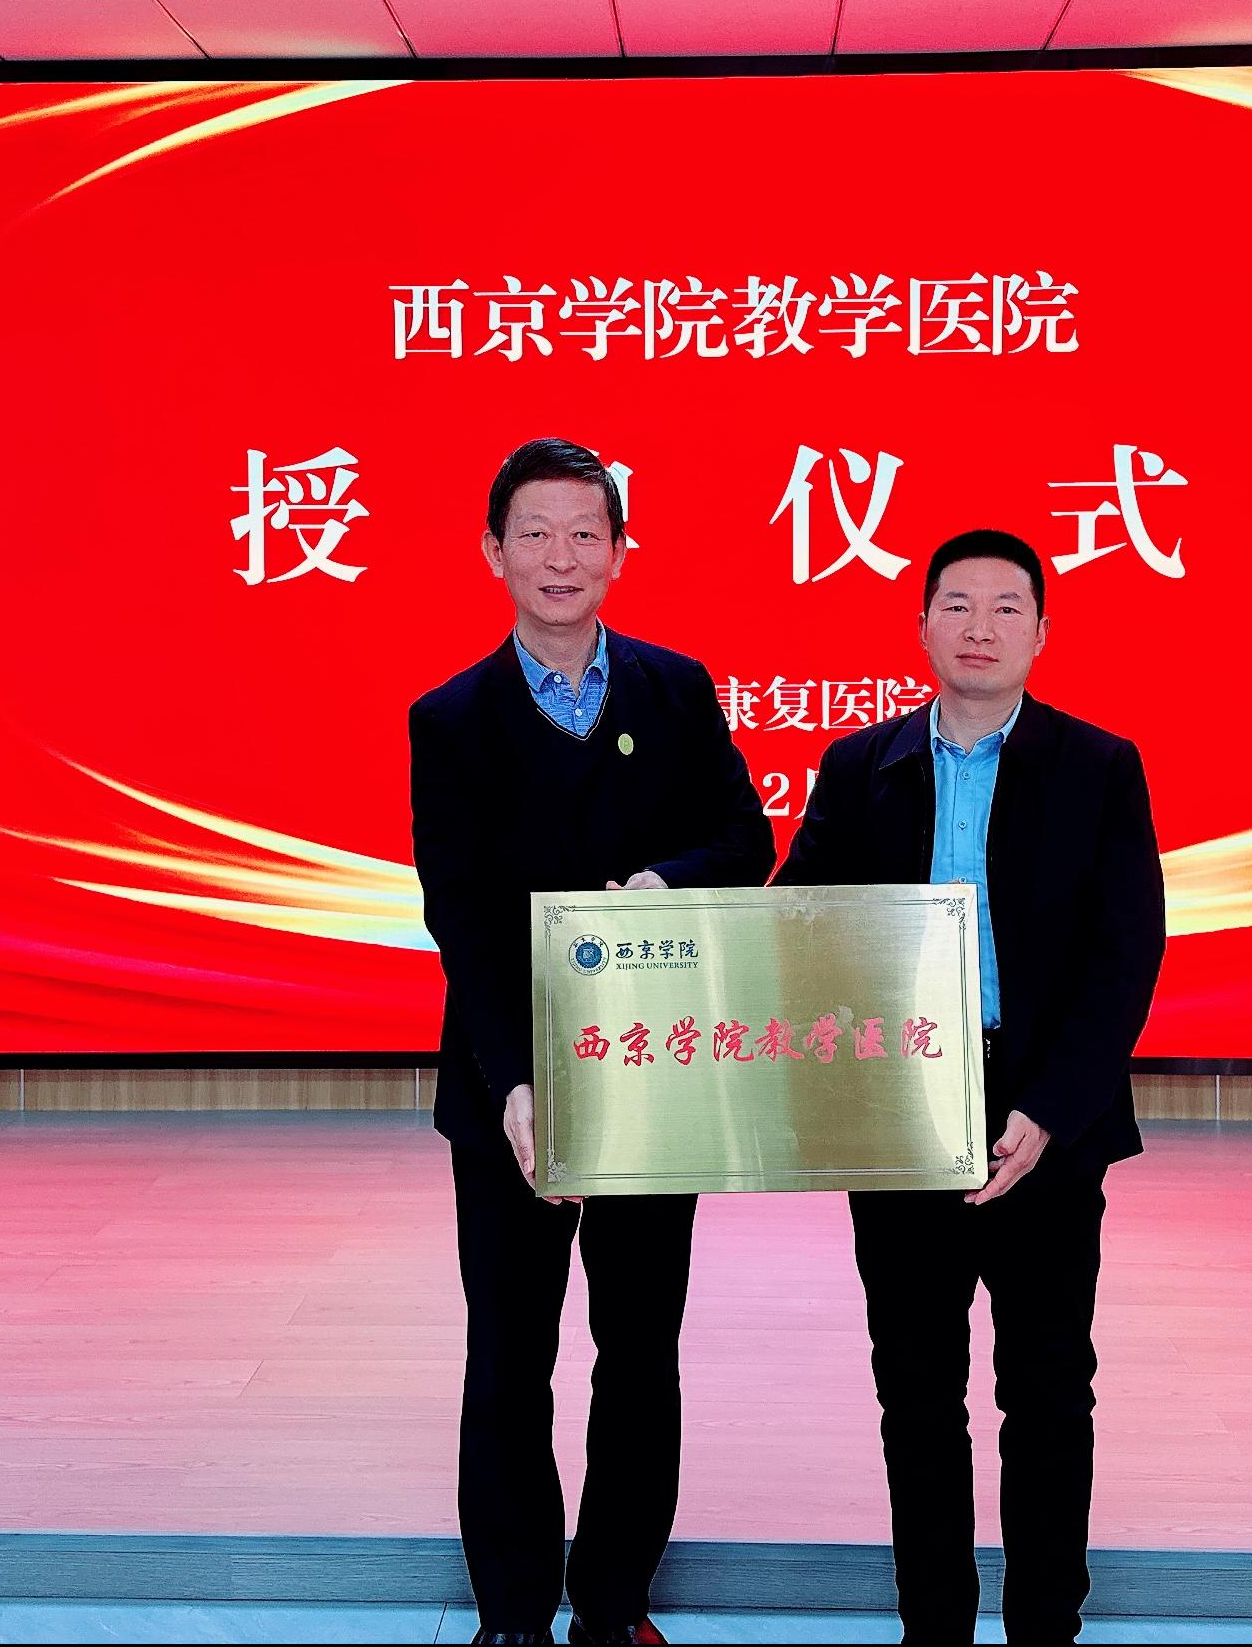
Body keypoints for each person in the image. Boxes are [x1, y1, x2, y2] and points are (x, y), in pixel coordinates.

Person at [409, 438, 774, 1646]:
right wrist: (517, 1082)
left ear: (620, 550)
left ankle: (614, 1606)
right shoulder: (449, 719)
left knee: (638, 1352)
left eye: (584, 533)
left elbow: (747, 839)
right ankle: (512, 1614)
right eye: (535, 533)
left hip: (654, 1077)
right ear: (492, 551)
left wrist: (665, 882)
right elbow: (461, 916)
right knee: (509, 1355)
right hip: (505, 1088)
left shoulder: (674, 689)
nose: (560, 557)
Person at [775, 528, 1166, 1644]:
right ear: (922, 629)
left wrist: (1049, 1110)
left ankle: (1046, 1627)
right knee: (914, 1389)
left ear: (1041, 632)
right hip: (898, 1102)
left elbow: (1124, 954)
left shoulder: (1097, 766)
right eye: (957, 605)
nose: (980, 627)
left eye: (1006, 608)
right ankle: (933, 1627)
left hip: (1045, 1112)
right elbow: (798, 920)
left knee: (1047, 1389)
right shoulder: (860, 766)